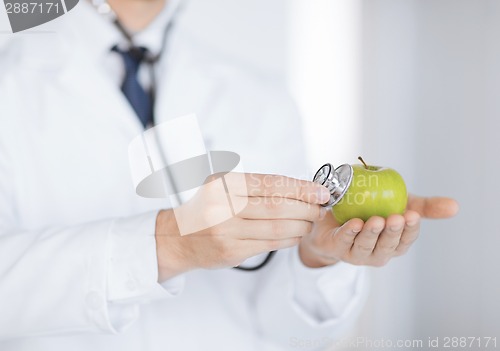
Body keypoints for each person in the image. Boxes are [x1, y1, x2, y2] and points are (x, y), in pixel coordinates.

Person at [0, 0, 458, 350]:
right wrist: (165, 245)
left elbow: (284, 328)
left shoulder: (259, 97)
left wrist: (315, 257)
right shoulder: (12, 78)